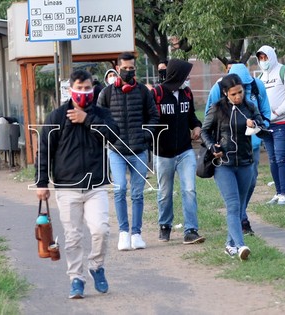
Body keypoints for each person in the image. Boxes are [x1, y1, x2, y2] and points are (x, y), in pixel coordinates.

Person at [35, 69, 119, 299]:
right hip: (66, 187)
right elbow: (44, 151)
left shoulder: (101, 114)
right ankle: (76, 279)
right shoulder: (56, 117)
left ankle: (96, 267)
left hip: (96, 185)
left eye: (87, 88)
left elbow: (114, 136)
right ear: (71, 89)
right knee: (73, 237)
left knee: (101, 229)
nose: (84, 92)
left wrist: (87, 119)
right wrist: (41, 183)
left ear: (93, 88)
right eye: (79, 88)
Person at [97, 52, 159, 250]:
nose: (129, 71)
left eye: (132, 68)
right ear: (117, 69)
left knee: (138, 193)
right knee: (120, 188)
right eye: (125, 68)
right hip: (116, 150)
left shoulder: (142, 91)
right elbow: (98, 118)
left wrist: (146, 135)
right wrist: (108, 136)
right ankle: (123, 233)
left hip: (139, 150)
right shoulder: (106, 93)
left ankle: (137, 233)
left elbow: (154, 117)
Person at [201, 73, 267, 260]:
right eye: (234, 94)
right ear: (225, 93)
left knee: (240, 207)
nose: (238, 97)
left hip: (246, 163)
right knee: (233, 205)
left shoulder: (250, 107)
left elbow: (262, 127)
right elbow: (205, 131)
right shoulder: (218, 109)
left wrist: (254, 124)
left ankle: (229, 244)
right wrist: (212, 146)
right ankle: (240, 246)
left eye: (241, 92)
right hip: (224, 164)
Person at [153, 59, 206, 245]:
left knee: (189, 190)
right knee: (165, 193)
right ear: (176, 75)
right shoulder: (157, 94)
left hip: (185, 151)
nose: (188, 79)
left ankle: (190, 230)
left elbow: (191, 116)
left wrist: (197, 127)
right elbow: (150, 120)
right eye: (185, 75)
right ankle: (165, 225)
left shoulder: (187, 93)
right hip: (163, 153)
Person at [257, 45, 285, 205]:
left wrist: (277, 113)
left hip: (282, 122)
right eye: (260, 58)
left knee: (281, 158)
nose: (263, 61)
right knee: (272, 159)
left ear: (272, 57)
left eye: (265, 57)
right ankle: (277, 192)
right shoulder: (261, 77)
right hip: (266, 125)